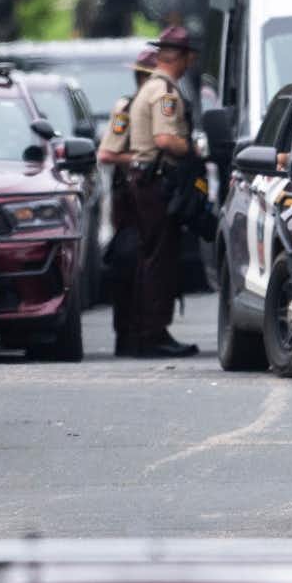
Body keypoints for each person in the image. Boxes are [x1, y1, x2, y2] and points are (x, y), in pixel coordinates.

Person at [102, 25, 201, 358]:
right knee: (158, 260)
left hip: (142, 183)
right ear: (184, 57)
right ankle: (151, 333)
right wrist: (191, 149)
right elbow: (164, 140)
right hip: (154, 183)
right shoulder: (163, 91)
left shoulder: (150, 89)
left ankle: (143, 332)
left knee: (147, 258)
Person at [97, 48, 160, 356]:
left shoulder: (160, 106)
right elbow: (107, 154)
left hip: (153, 199)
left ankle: (151, 333)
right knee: (128, 264)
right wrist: (142, 160)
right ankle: (128, 335)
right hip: (131, 202)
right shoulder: (127, 107)